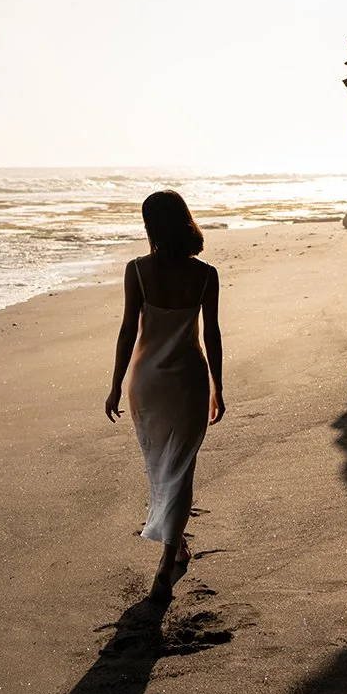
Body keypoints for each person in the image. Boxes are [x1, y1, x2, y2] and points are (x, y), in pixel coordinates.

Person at [105, 190, 225, 600]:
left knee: (160, 468)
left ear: (150, 227)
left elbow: (126, 332)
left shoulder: (137, 270)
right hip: (189, 380)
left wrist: (116, 384)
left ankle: (173, 551)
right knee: (180, 468)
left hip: (147, 383)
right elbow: (212, 334)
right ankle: (171, 554)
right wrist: (219, 387)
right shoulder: (205, 275)